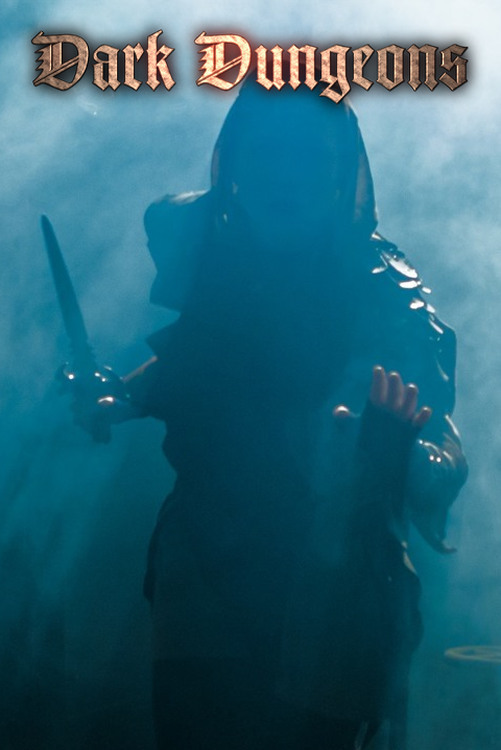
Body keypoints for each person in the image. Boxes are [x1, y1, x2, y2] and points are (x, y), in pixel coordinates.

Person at [71, 74, 467, 749]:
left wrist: (398, 453)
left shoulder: (384, 293)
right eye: (266, 153)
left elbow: (442, 452)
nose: (285, 177)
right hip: (204, 571)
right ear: (235, 164)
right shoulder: (221, 259)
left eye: (307, 157)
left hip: (328, 582)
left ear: (339, 172)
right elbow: (202, 354)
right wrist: (122, 395)